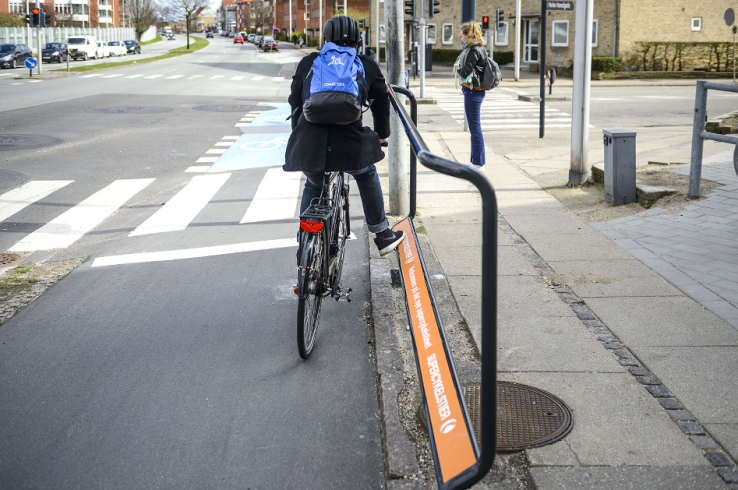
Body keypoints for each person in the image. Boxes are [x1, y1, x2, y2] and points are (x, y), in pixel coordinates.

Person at [284, 15, 405, 256]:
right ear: (357, 43)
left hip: (310, 145)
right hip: (350, 146)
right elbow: (381, 103)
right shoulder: (365, 63)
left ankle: (305, 243)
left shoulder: (310, 62)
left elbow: (295, 100)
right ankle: (382, 235)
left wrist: (297, 131)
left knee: (314, 181)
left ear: (326, 39)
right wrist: (382, 136)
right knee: (366, 173)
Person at [455, 21, 487, 168]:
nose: (461, 39)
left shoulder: (474, 51)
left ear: (468, 36)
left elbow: (466, 71)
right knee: (474, 128)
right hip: (474, 91)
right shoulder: (479, 48)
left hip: (474, 91)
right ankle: (475, 161)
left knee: (475, 129)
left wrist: (457, 69)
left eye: (462, 36)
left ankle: (479, 163)